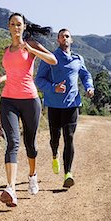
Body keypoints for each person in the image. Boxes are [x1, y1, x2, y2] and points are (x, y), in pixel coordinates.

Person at [0, 12, 57, 207]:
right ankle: (10, 188)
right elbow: (12, 73)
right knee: (12, 142)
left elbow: (52, 60)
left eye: (19, 24)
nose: (16, 27)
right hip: (8, 100)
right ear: (8, 27)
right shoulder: (6, 50)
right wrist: (1, 79)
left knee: (31, 144)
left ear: (24, 27)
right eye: (12, 24)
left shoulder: (31, 45)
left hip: (30, 100)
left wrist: (31, 49)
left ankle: (32, 175)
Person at [35, 28, 94, 188]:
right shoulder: (50, 58)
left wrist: (89, 87)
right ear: (58, 40)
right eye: (61, 37)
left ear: (71, 40)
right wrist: (54, 87)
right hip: (54, 105)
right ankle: (54, 154)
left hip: (72, 104)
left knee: (69, 137)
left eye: (67, 36)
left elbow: (85, 75)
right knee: (55, 138)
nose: (64, 39)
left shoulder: (78, 58)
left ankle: (68, 173)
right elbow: (39, 80)